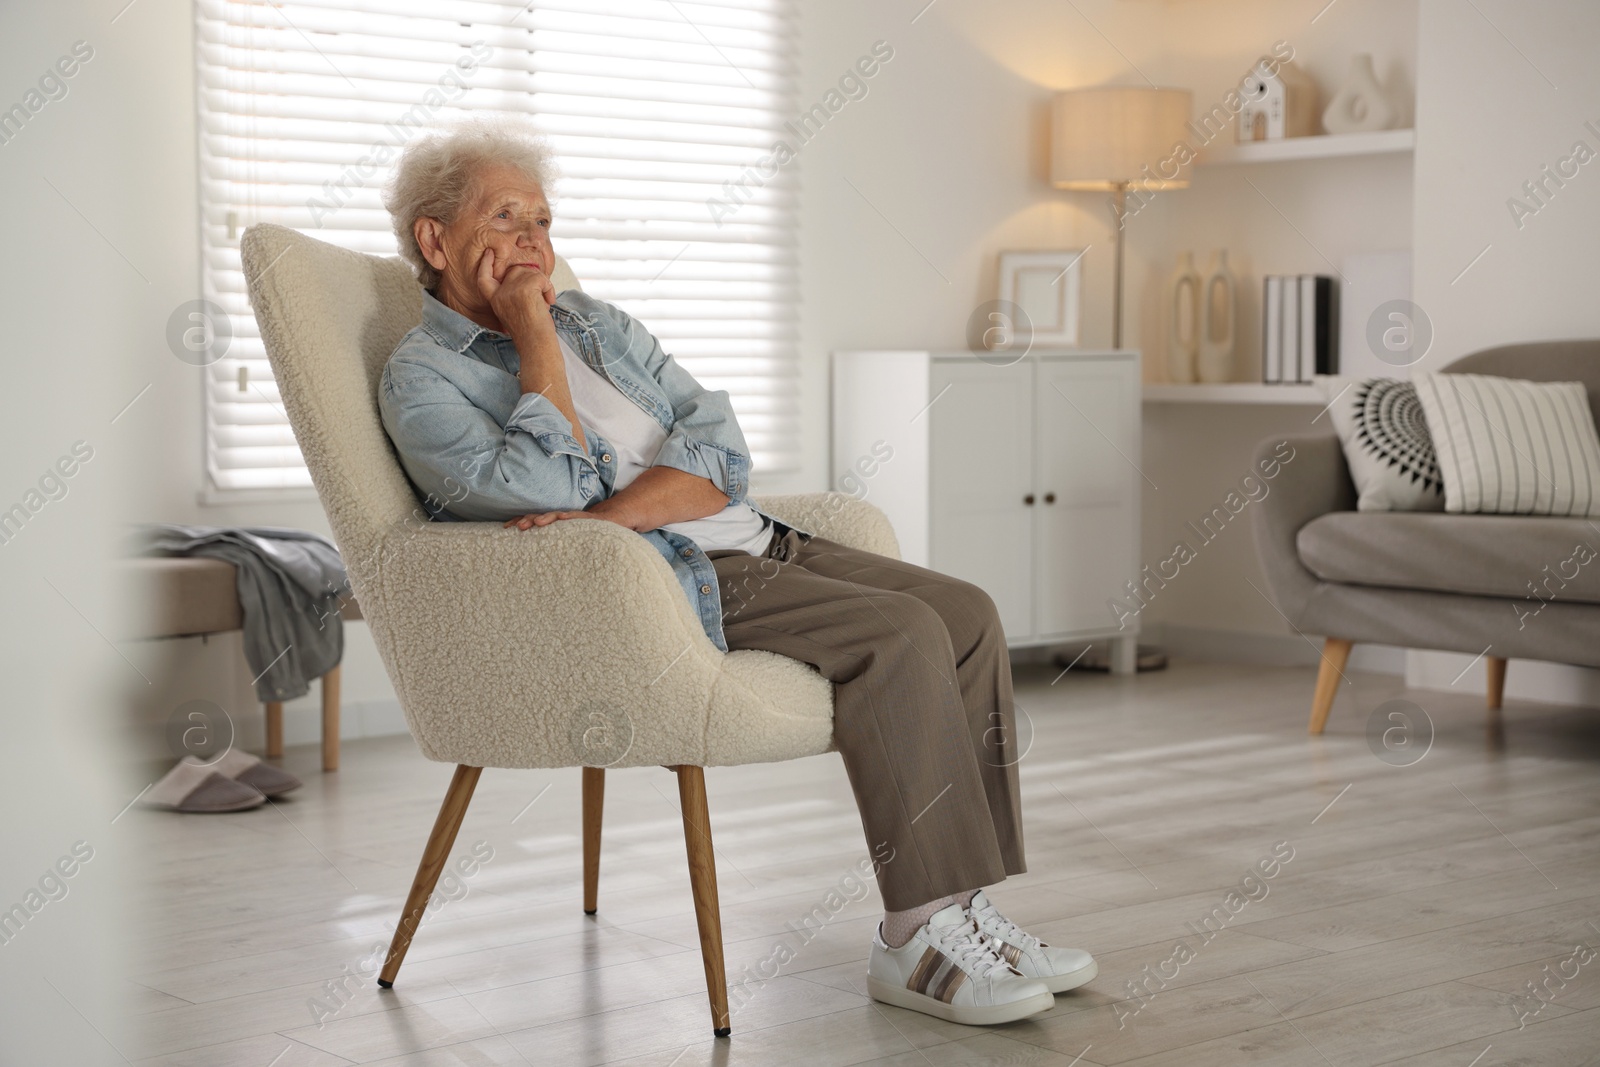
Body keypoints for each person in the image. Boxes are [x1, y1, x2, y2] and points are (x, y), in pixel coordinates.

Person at [376, 117, 1095, 1026]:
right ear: (434, 240)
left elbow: (720, 438)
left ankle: (968, 908)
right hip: (686, 570)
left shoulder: (598, 321)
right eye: (505, 215)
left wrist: (615, 506)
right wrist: (533, 341)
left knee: (968, 611)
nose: (532, 240)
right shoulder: (424, 378)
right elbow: (540, 486)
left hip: (755, 533)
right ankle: (914, 935)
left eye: (544, 220)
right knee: (904, 634)